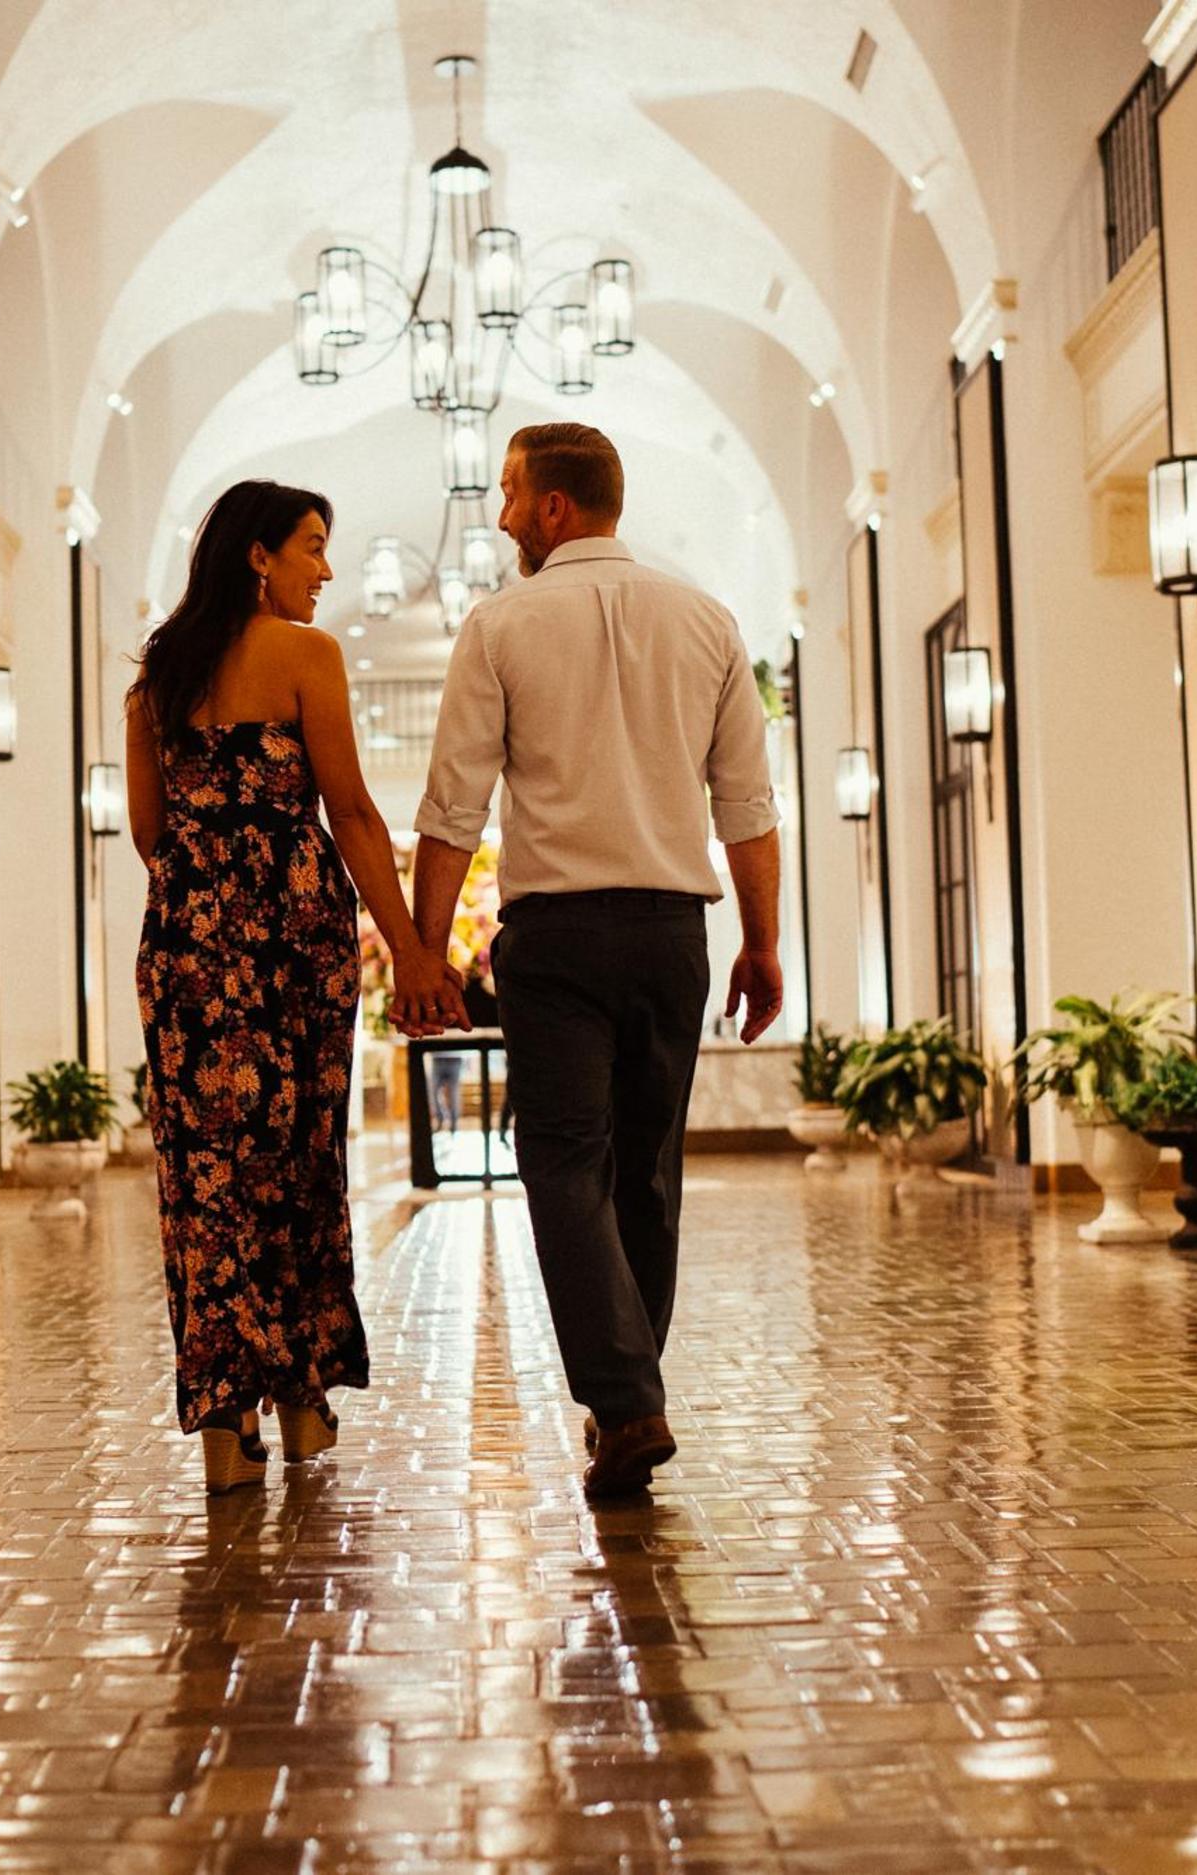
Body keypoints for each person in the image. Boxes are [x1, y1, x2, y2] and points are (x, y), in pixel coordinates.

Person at [402, 423, 784, 1499]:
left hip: (560, 939)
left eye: (514, 494)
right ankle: (630, 1402)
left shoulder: (502, 624)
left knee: (565, 1163)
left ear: (557, 509)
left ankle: (625, 1402)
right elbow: (747, 805)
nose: (504, 513)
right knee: (646, 1174)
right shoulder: (706, 621)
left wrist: (426, 951)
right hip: (673, 934)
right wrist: (762, 942)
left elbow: (452, 808)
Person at [129, 480, 465, 1496]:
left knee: (205, 1180)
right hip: (292, 941)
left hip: (186, 947)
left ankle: (225, 1430)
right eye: (313, 547)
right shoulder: (306, 657)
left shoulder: (157, 679)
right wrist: (411, 951)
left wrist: (208, 903)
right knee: (298, 1163)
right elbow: (354, 813)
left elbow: (152, 835)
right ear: (256, 556)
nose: (326, 569)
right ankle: (304, 1404)